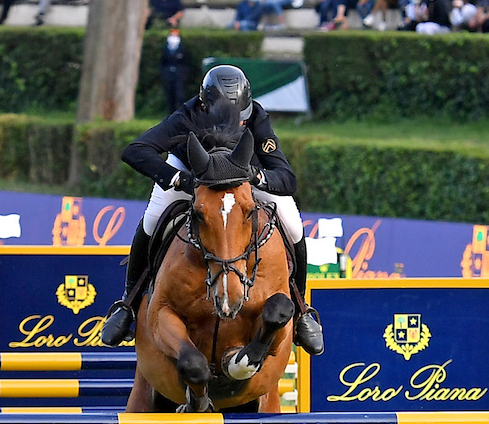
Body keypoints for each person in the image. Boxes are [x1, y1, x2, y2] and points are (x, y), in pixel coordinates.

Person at [98, 64, 324, 355]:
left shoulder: (255, 115)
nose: (239, 124)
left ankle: (302, 310)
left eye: (241, 119)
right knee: (153, 220)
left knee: (292, 225)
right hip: (191, 175)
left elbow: (286, 177)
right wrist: (176, 178)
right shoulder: (187, 116)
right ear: (205, 106)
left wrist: (258, 177)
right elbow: (136, 150)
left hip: (242, 178)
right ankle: (127, 304)